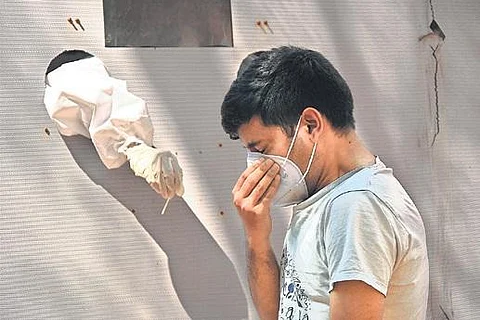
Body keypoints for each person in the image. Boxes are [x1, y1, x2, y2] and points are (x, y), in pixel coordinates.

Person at [221, 46, 429, 320]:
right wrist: (256, 238)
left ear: (310, 125)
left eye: (261, 149)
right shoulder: (326, 198)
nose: (256, 164)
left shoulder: (356, 207)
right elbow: (276, 313)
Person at [44, 50, 184, 207]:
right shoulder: (70, 76)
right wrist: (134, 146)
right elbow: (100, 99)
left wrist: (137, 147)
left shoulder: (77, 80)